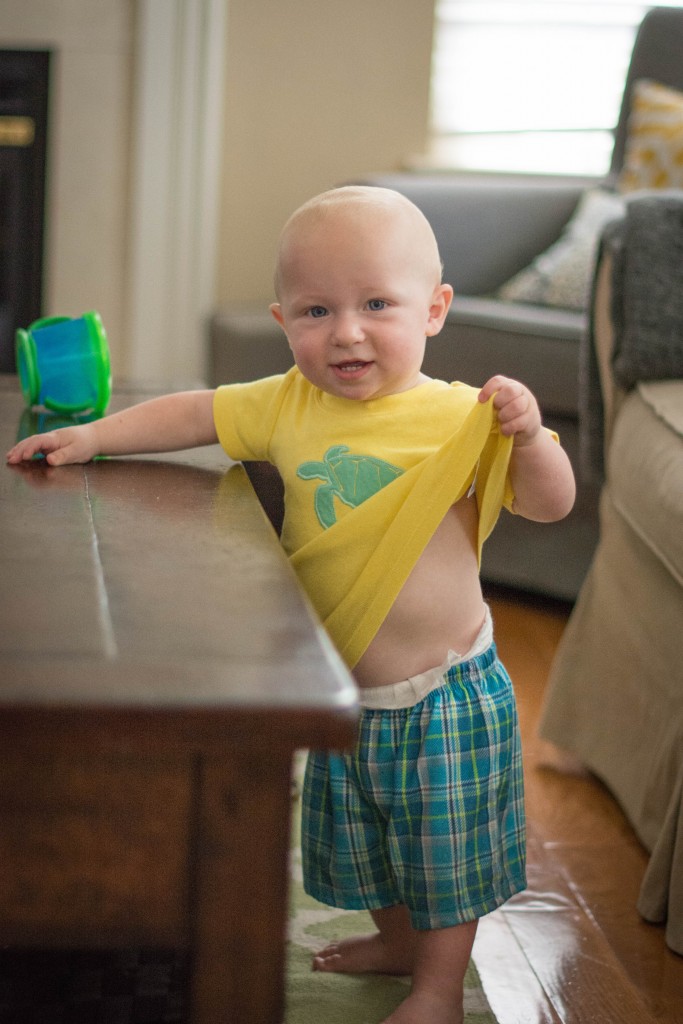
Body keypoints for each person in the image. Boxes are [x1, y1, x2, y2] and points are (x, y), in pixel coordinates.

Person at [6, 186, 575, 1024]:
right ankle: (393, 941)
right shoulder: (285, 404)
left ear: (434, 310)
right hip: (342, 686)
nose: (345, 331)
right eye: (316, 310)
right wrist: (96, 434)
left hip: (444, 691)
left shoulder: (464, 418)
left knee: (441, 856)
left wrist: (528, 438)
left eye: (376, 303)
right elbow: (196, 412)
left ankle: (436, 988)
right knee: (366, 848)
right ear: (283, 321)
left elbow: (550, 504)